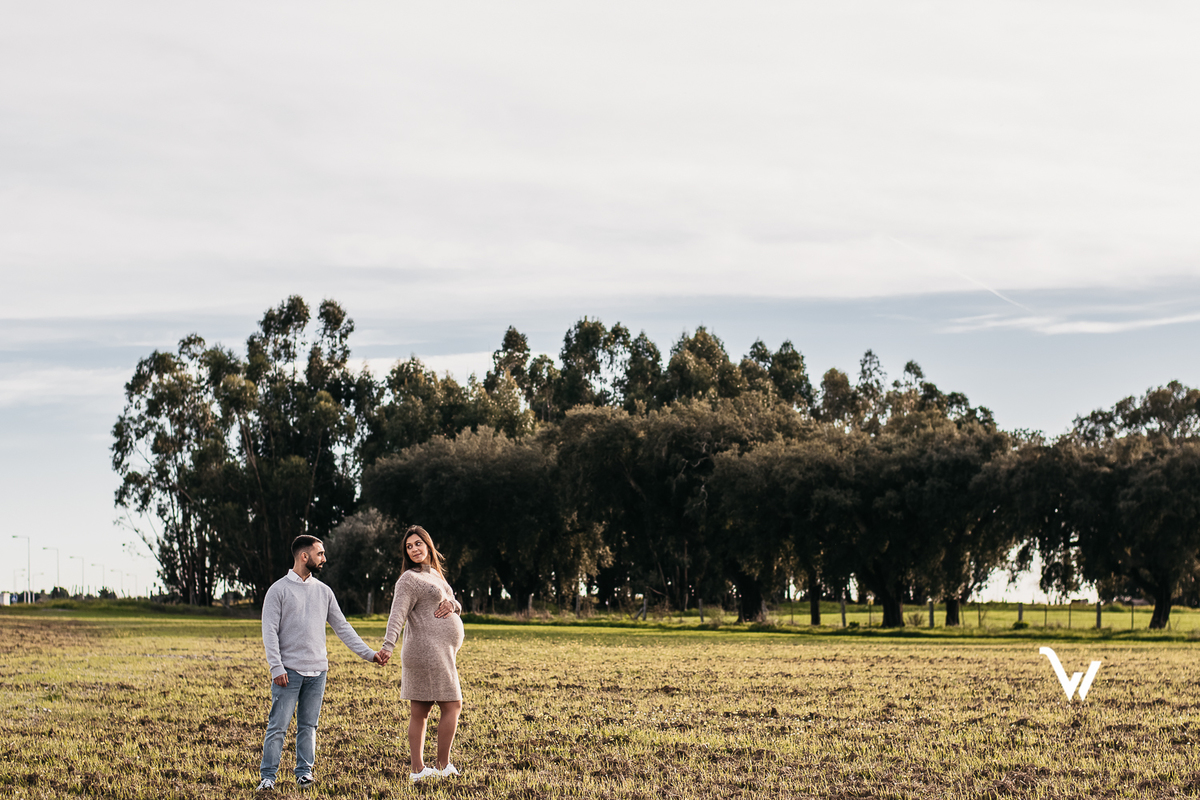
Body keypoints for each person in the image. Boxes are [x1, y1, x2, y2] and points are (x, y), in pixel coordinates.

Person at [258, 534, 386, 791]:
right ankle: (268, 777)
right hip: (288, 673)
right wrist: (276, 667)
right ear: (304, 556)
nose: (324, 559)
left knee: (309, 726)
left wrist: (370, 654)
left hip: (318, 673)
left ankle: (304, 773)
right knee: (278, 726)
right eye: (320, 554)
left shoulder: (324, 592)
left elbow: (343, 628)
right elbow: (269, 631)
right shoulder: (278, 590)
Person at [380, 525, 466, 783]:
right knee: (451, 705)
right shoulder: (409, 579)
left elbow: (454, 600)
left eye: (418, 543)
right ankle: (436, 766)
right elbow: (397, 615)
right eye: (409, 546)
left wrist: (453, 604)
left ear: (428, 545)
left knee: (423, 709)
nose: (414, 549)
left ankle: (421, 770)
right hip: (426, 650)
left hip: (441, 651)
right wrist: (387, 645)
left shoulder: (437, 577)